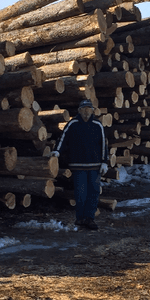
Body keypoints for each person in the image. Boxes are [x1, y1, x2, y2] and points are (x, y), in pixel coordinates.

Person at [52, 99, 108, 230]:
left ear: (93, 111)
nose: (86, 111)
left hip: (95, 165)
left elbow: (104, 144)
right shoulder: (72, 124)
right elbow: (63, 138)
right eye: (84, 109)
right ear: (79, 111)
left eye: (89, 109)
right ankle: (80, 218)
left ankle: (90, 218)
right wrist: (57, 151)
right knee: (80, 192)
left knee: (93, 192)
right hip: (78, 165)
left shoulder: (97, 125)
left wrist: (104, 161)